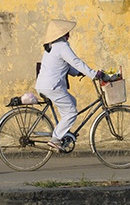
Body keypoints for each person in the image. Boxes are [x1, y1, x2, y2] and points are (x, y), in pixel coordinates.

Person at [35, 18, 112, 152]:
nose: (68, 35)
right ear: (60, 35)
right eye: (66, 33)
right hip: (53, 86)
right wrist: (94, 74)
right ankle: (56, 139)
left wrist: (78, 73)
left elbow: (66, 66)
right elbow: (76, 62)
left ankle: (62, 133)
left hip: (45, 85)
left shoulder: (52, 46)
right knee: (71, 112)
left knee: (72, 102)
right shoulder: (61, 46)